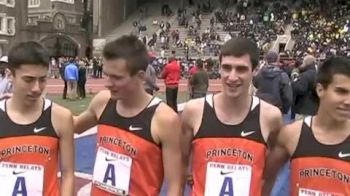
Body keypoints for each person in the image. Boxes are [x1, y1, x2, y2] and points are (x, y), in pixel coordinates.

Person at [73, 35, 185, 195]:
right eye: (107, 75)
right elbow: (75, 125)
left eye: (117, 78)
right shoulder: (103, 101)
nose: (107, 83)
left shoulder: (164, 120)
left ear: (140, 77)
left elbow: (175, 184)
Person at [181, 37, 283, 195]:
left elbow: (270, 173)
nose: (232, 77)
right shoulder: (194, 111)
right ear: (219, 68)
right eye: (227, 68)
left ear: (255, 70)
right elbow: (181, 163)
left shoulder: (270, 117)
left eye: (241, 69)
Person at [263, 56, 350, 196]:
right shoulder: (292, 135)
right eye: (341, 91)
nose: (348, 101)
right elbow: (265, 179)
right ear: (320, 90)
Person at [0, 42, 74, 195]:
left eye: (42, 79)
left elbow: (67, 174)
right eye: (28, 80)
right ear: (10, 75)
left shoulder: (60, 117)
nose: (36, 88)